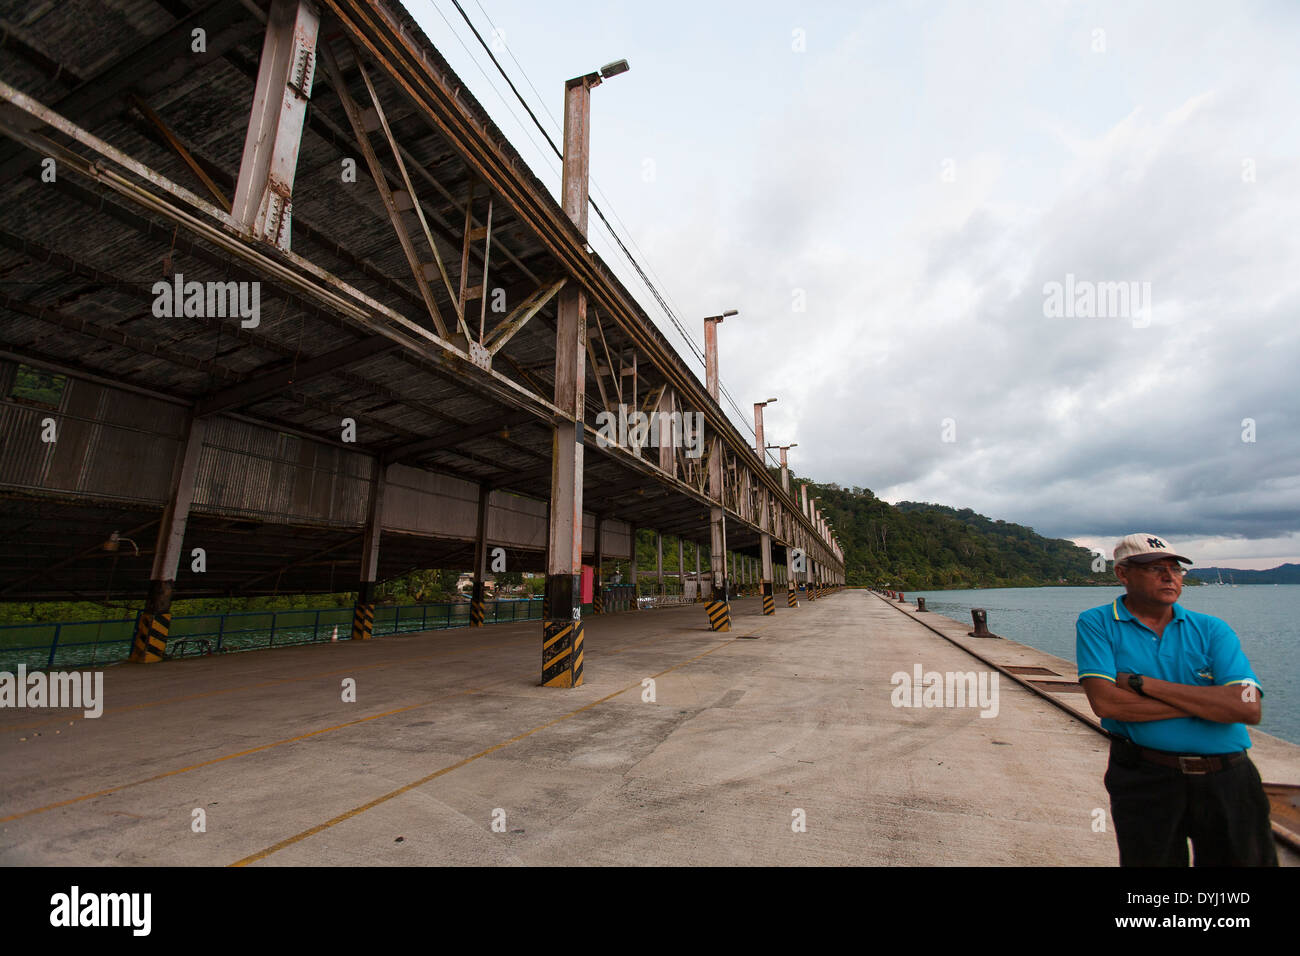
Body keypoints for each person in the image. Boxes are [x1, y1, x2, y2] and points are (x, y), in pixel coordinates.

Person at [1076, 533, 1276, 866]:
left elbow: (1247, 707)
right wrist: (1209, 703)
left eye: (1176, 568)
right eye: (1155, 568)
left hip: (1229, 779)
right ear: (1123, 574)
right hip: (1146, 777)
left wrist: (1143, 684)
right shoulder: (1098, 623)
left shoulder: (1212, 629)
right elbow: (1107, 704)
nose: (1170, 576)